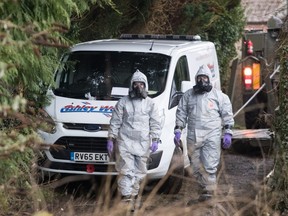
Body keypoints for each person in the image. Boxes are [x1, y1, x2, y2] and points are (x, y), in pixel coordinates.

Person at [174, 64, 234, 202]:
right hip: (193, 136)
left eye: (204, 77)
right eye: (199, 77)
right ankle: (203, 191)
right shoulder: (188, 95)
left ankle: (210, 193)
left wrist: (228, 132)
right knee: (195, 167)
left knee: (209, 165)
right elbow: (181, 113)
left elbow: (227, 115)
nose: (202, 80)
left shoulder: (219, 96)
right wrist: (178, 130)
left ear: (209, 79)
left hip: (211, 135)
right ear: (196, 79)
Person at [107, 69, 162, 209]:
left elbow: (155, 122)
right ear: (131, 85)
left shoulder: (150, 103)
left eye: (141, 84)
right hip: (125, 141)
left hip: (143, 143)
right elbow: (115, 121)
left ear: (146, 86)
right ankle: (126, 199)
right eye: (136, 84)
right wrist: (111, 138)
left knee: (139, 172)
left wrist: (155, 139)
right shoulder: (123, 102)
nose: (139, 87)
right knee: (126, 171)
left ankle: (134, 196)